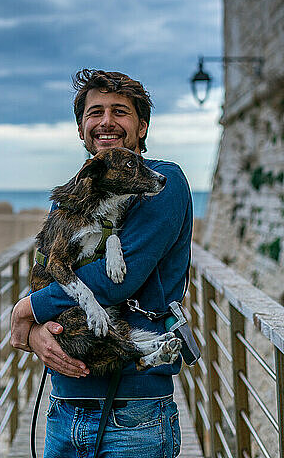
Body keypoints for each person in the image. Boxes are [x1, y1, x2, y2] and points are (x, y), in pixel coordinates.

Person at [11, 69, 192, 458]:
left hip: (135, 414)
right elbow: (50, 264)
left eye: (120, 112)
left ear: (142, 126)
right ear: (81, 129)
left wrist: (28, 310)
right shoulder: (74, 195)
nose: (106, 122)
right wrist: (38, 329)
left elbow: (117, 283)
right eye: (95, 112)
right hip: (64, 407)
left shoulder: (164, 181)